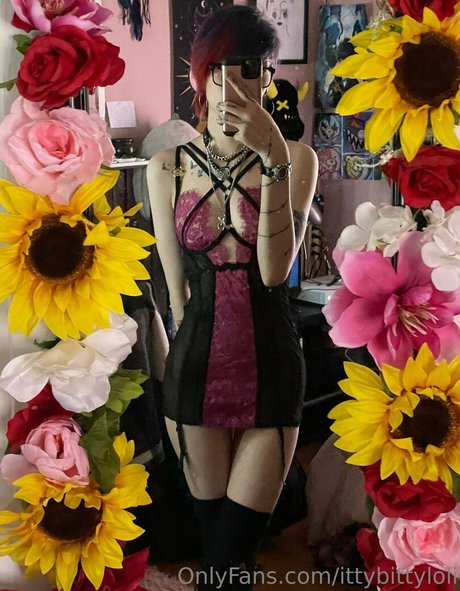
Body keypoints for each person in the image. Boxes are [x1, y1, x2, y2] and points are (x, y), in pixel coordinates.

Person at [146, 5, 318, 590]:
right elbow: (174, 291)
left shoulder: (297, 160)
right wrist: (172, 373)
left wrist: (273, 159)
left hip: (271, 366)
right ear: (199, 74)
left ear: (268, 75)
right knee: (216, 552)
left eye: (248, 67)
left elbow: (273, 272)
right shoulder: (165, 166)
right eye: (216, 68)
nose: (231, 82)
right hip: (196, 370)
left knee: (233, 552)